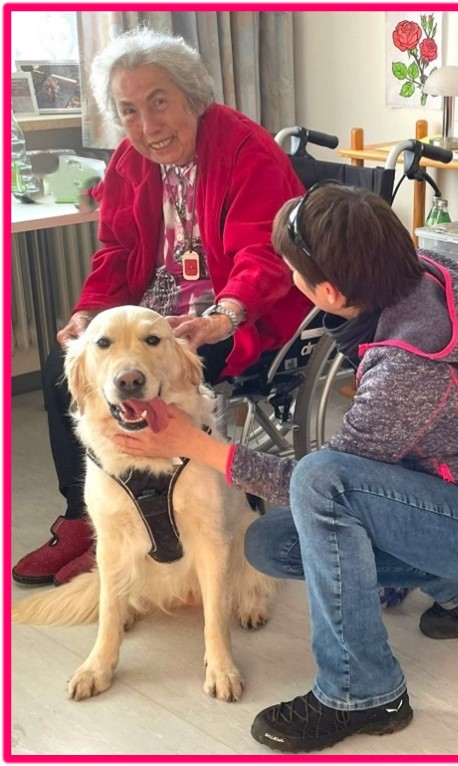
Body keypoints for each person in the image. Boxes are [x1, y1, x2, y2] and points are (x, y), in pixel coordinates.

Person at [110, 183, 458, 753]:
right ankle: (457, 585)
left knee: (320, 482)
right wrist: (221, 322)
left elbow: (316, 483)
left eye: (294, 271)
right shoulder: (422, 273)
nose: (289, 277)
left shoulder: (407, 369)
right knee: (272, 545)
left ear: (328, 291)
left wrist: (194, 444)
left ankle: (362, 690)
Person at [12, 29, 311, 588]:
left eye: (159, 102)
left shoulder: (246, 150)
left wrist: (225, 314)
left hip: (233, 313)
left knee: (167, 377)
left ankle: (171, 510)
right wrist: (88, 314)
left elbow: (264, 252)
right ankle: (86, 518)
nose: (148, 126)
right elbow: (116, 251)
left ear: (192, 95)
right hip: (146, 316)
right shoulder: (130, 160)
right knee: (63, 369)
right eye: (129, 110)